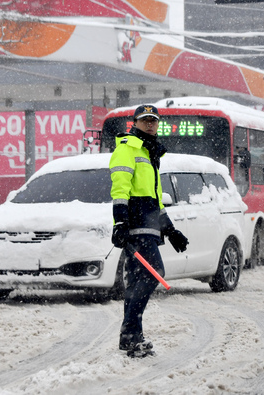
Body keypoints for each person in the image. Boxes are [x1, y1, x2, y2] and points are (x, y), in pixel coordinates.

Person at [109, 104, 189, 358]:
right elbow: (120, 190)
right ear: (134, 123)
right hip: (136, 226)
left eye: (154, 120)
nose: (151, 124)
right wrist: (120, 223)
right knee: (154, 273)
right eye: (145, 120)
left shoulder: (149, 152)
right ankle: (131, 333)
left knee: (137, 281)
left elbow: (156, 200)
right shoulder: (127, 149)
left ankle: (132, 337)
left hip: (150, 224)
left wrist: (171, 230)